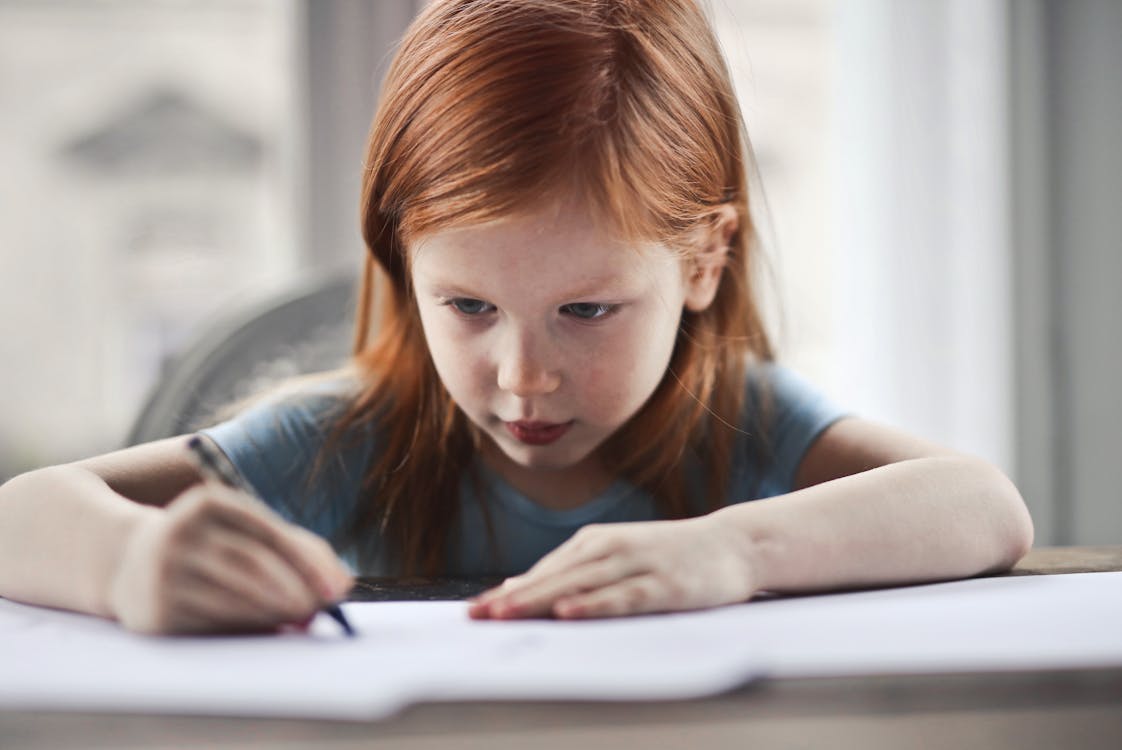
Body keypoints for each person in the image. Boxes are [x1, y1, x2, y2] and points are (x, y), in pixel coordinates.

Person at [0, 0, 1033, 634]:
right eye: (468, 306)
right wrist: (131, 563)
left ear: (704, 260)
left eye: (587, 308)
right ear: (404, 266)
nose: (523, 374)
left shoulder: (741, 425)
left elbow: (985, 509)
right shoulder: (342, 440)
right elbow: (22, 513)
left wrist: (739, 551)